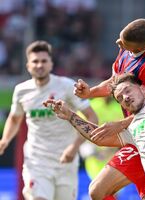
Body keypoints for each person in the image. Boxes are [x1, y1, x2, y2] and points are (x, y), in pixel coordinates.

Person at [73, 18, 145, 199]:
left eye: (123, 43)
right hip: (135, 137)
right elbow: (115, 83)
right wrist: (90, 92)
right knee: (98, 190)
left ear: (138, 48)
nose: (118, 43)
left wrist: (120, 124)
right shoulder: (126, 51)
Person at [0, 40, 98, 200]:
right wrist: (4, 140)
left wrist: (74, 148)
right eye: (35, 61)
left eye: (44, 61)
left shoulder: (66, 86)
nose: (40, 65)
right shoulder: (21, 91)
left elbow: (92, 117)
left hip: (65, 159)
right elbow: (15, 117)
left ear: (51, 64)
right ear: (28, 66)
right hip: (37, 159)